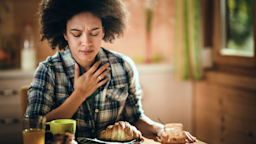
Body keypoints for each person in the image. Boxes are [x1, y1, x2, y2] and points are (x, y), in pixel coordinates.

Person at [25, 0, 196, 142]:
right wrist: (79, 94)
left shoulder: (123, 66)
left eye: (94, 32)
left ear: (104, 32)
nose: (86, 42)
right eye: (76, 34)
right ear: (64, 33)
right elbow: (35, 127)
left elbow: (135, 118)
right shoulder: (48, 71)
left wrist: (158, 128)